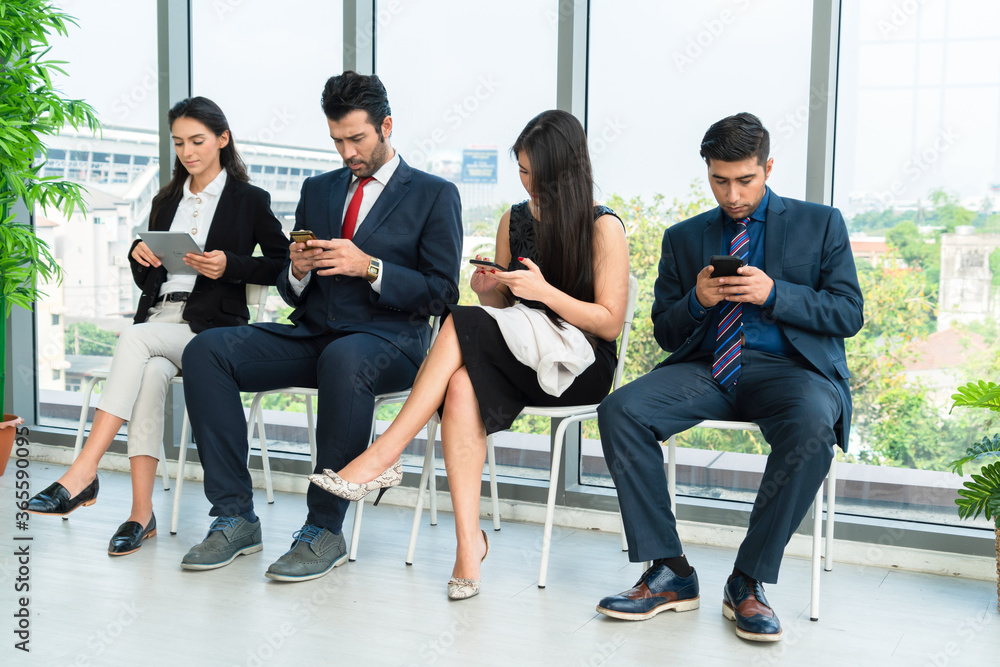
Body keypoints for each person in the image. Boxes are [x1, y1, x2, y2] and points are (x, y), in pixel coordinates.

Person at [310, 109, 631, 600]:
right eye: (521, 171)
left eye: (534, 173)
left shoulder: (603, 226)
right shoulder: (514, 219)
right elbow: (505, 308)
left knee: (457, 321)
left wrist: (543, 292)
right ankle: (468, 548)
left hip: (580, 363)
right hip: (523, 351)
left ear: (565, 170)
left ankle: (384, 453)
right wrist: (490, 291)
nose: (526, 183)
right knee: (459, 385)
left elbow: (608, 321)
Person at [179, 71, 464, 582]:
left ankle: (323, 528)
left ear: (387, 126)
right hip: (315, 335)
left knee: (345, 357)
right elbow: (290, 290)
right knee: (207, 352)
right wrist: (297, 269)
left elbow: (444, 293)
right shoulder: (319, 189)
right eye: (337, 140)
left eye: (357, 138)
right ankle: (234, 517)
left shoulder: (434, 194)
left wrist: (370, 267)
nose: (347, 152)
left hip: (388, 345)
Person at [594, 112, 863, 641]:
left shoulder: (821, 223)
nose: (733, 194)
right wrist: (698, 299)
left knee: (812, 427)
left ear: (768, 167)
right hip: (711, 371)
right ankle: (670, 570)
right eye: (720, 180)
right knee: (621, 409)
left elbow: (847, 314)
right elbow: (667, 332)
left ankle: (748, 580)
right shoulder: (684, 237)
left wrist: (775, 294)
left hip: (791, 372)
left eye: (745, 180)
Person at [26, 97, 289, 556]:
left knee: (132, 338)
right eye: (180, 143)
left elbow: (281, 265)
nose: (188, 152)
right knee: (147, 373)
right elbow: (151, 278)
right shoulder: (166, 199)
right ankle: (140, 514)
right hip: (158, 320)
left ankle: (83, 471)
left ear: (223, 140)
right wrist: (138, 256)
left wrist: (229, 265)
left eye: (198, 141)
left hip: (209, 330)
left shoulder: (249, 200)